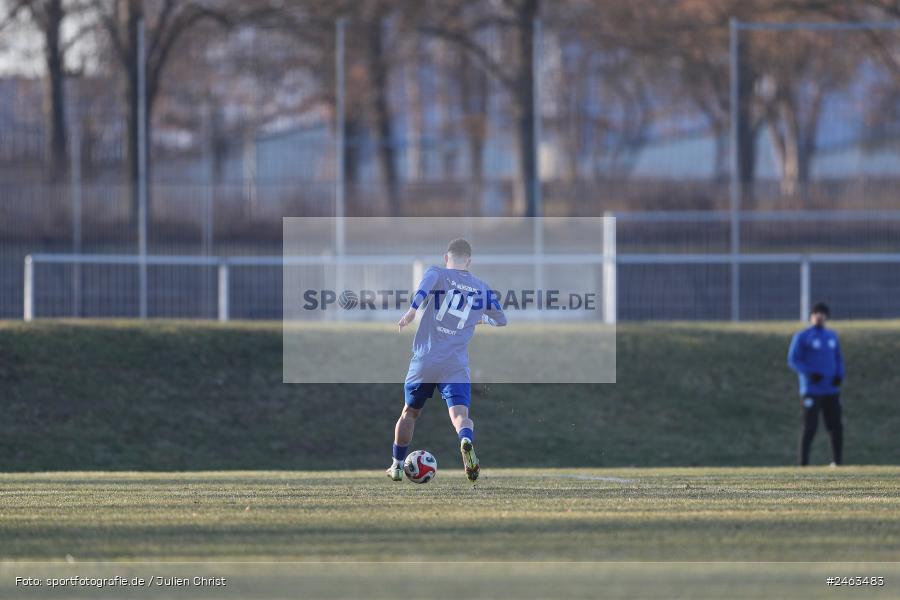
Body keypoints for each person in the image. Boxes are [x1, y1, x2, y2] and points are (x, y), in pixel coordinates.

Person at [387, 238, 507, 483]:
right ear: (469, 261)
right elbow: (501, 319)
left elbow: (425, 286)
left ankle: (397, 465)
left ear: (446, 257)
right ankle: (465, 439)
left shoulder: (438, 273)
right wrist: (479, 319)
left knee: (409, 413)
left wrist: (412, 310)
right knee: (461, 415)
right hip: (455, 364)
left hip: (426, 360)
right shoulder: (482, 287)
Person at [787, 302, 845, 466]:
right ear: (811, 316)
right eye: (816, 313)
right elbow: (793, 360)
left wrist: (839, 375)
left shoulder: (831, 336)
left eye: (822, 313)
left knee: (835, 426)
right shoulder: (803, 336)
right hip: (811, 389)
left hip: (830, 389)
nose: (819, 316)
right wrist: (810, 373)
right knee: (809, 427)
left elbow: (838, 358)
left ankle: (837, 462)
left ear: (826, 316)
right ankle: (803, 464)